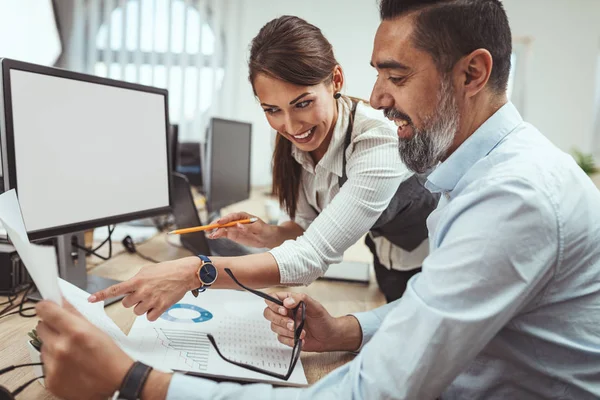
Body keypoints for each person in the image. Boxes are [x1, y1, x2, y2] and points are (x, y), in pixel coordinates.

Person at [34, 0, 600, 399]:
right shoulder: (477, 174)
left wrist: (133, 378)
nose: (378, 97)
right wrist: (347, 331)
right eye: (272, 111)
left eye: (396, 77)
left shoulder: (510, 197)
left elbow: (366, 389)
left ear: (474, 72)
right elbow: (439, 303)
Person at [87, 15, 438, 314]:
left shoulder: (377, 141)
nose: (291, 126)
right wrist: (267, 234)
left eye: (302, 103)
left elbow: (313, 257)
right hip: (387, 258)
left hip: (430, 263)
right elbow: (308, 229)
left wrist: (196, 272)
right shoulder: (299, 142)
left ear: (336, 81)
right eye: (273, 110)